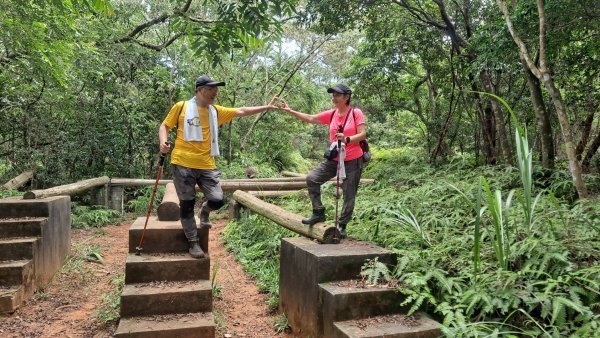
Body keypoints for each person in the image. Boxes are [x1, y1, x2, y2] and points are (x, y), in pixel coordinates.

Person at [159, 75, 278, 259]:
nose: (215, 92)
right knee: (187, 205)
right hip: (182, 163)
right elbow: (165, 126)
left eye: (216, 89)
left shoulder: (215, 111)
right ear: (199, 90)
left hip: (207, 165)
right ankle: (193, 242)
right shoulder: (181, 107)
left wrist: (267, 107)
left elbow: (241, 110)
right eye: (211, 89)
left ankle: (205, 211)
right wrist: (163, 142)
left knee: (217, 199)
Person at [280, 84, 366, 239]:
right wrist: (290, 111)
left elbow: (362, 134)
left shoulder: (355, 113)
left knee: (348, 193)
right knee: (312, 178)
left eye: (337, 95)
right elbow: (311, 118)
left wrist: (347, 139)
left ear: (346, 97)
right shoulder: (332, 114)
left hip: (353, 159)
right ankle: (318, 212)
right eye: (333, 95)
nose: (334, 98)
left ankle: (342, 226)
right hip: (334, 158)